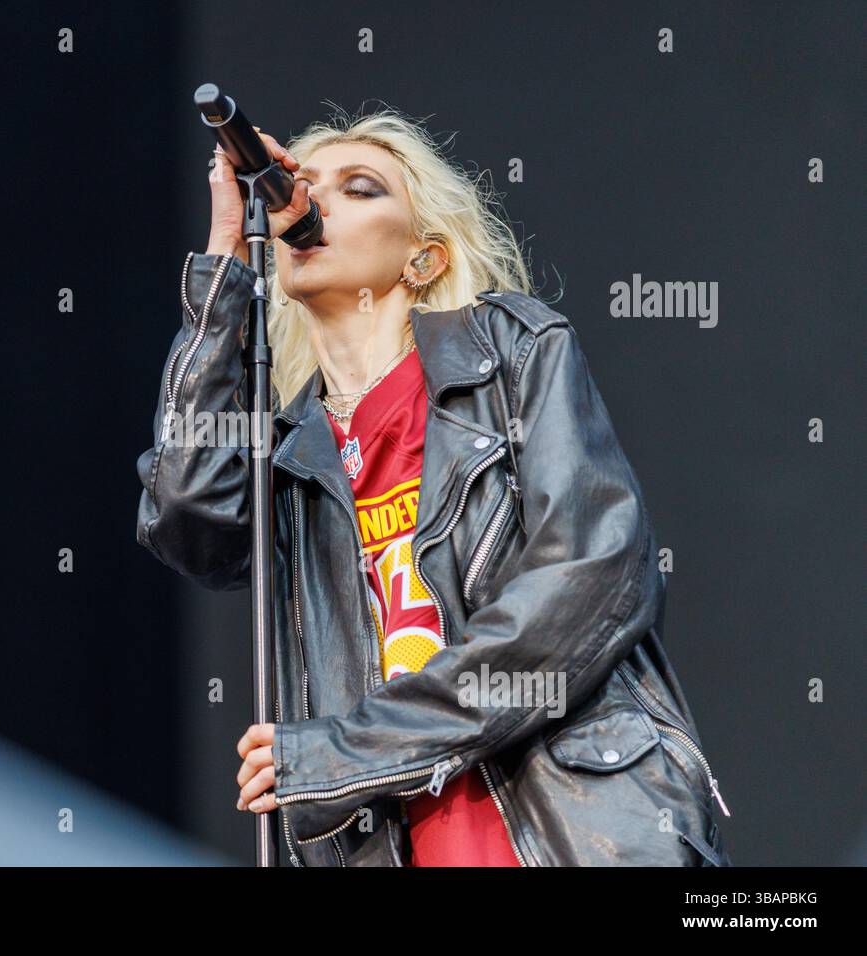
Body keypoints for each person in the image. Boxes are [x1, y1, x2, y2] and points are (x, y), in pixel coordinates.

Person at [135, 109, 732, 866]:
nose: (309, 204)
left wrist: (347, 751)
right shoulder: (287, 459)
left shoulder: (512, 352)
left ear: (423, 258)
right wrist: (225, 258)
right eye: (301, 187)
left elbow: (589, 581)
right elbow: (186, 516)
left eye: (360, 189)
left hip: (575, 836)